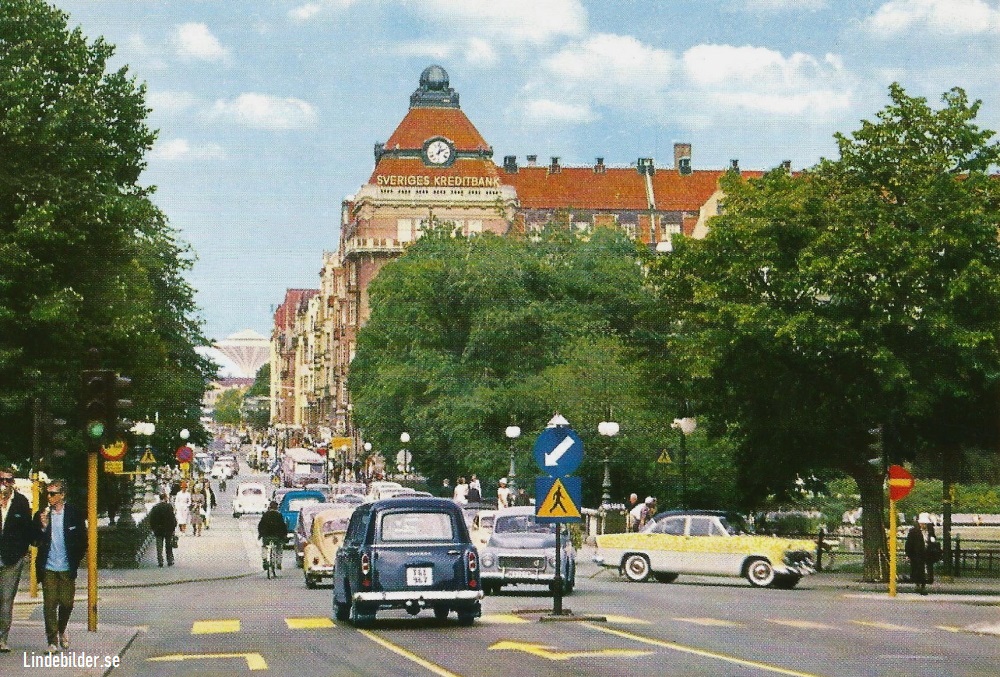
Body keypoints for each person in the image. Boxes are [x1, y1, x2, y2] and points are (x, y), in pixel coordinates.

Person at [33, 479, 87, 654]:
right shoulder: (42, 514)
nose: (49, 497)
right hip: (48, 567)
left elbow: (82, 540)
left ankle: (61, 628)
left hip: (66, 566)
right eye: (47, 494)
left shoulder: (73, 514)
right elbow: (34, 541)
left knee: (67, 603)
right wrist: (42, 528)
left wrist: (75, 561)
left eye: (53, 494)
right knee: (49, 604)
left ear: (62, 495)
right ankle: (52, 642)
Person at [0, 468, 33, 653]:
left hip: (12, 559)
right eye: (1, 479)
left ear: (13, 482)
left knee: (6, 599)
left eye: (8, 480)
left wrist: (21, 552)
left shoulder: (21, 502)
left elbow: (26, 530)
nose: (4, 483)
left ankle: (2, 639)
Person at [906, 512, 937, 595]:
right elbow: (909, 543)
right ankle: (918, 584)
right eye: (922, 523)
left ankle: (923, 584)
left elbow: (933, 539)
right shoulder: (913, 531)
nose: (924, 525)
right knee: (918, 569)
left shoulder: (930, 530)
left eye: (925, 523)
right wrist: (909, 554)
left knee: (926, 569)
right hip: (917, 553)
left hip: (927, 552)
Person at [147, 493, 177, 567]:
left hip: (158, 530)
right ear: (166, 498)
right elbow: (172, 518)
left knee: (159, 547)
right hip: (168, 530)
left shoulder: (155, 507)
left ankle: (160, 561)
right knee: (168, 546)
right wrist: (173, 528)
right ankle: (169, 560)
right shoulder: (169, 507)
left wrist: (154, 528)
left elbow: (151, 519)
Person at [257, 501, 286, 572]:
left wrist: (260, 534)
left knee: (264, 546)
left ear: (270, 507)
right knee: (279, 547)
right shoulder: (279, 515)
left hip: (266, 536)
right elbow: (282, 526)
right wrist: (284, 535)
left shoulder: (266, 515)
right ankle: (278, 562)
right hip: (277, 536)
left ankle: (264, 559)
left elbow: (260, 525)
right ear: (276, 507)